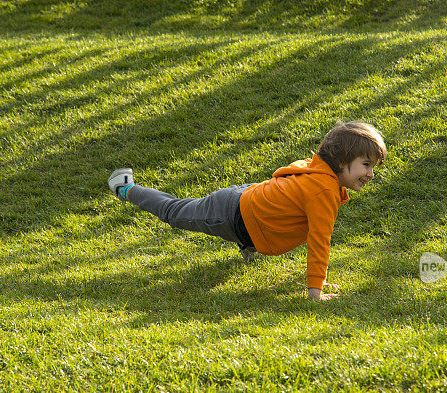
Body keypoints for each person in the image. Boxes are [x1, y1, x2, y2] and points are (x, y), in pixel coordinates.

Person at [109, 121, 387, 301]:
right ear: (340, 162)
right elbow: (319, 240)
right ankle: (124, 186)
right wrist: (315, 291)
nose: (371, 173)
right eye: (366, 164)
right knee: (174, 211)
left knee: (204, 213)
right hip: (231, 213)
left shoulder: (319, 172)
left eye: (373, 166)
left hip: (245, 200)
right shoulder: (323, 189)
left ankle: (248, 244)